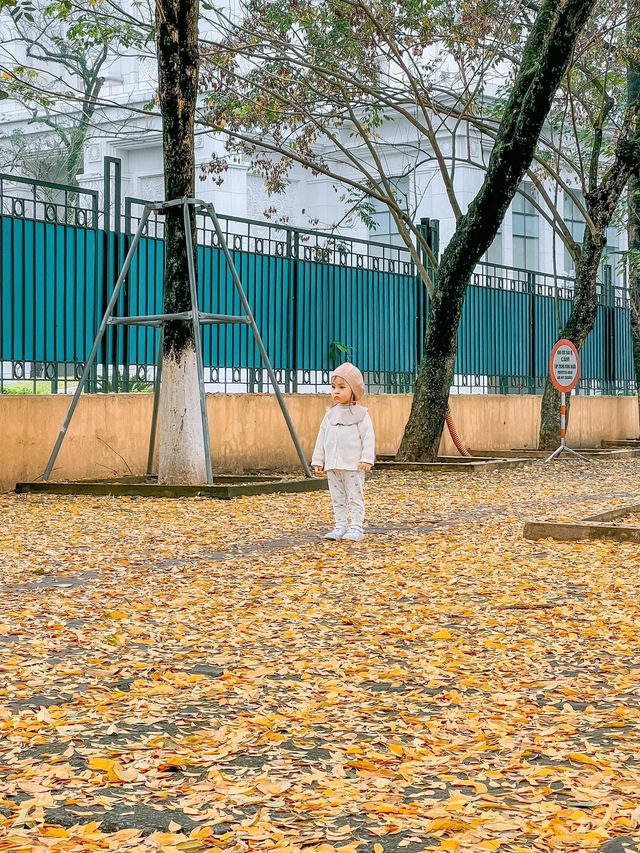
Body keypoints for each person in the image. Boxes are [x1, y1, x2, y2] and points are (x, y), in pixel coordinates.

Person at [312, 362, 375, 541]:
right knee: (337, 498)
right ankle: (340, 525)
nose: (336, 392)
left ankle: (356, 527)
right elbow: (322, 437)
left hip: (353, 465)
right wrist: (318, 460)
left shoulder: (361, 414)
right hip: (333, 466)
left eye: (341, 387)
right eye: (333, 387)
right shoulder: (330, 414)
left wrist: (367, 458)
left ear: (353, 390)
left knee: (355, 496)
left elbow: (368, 437)